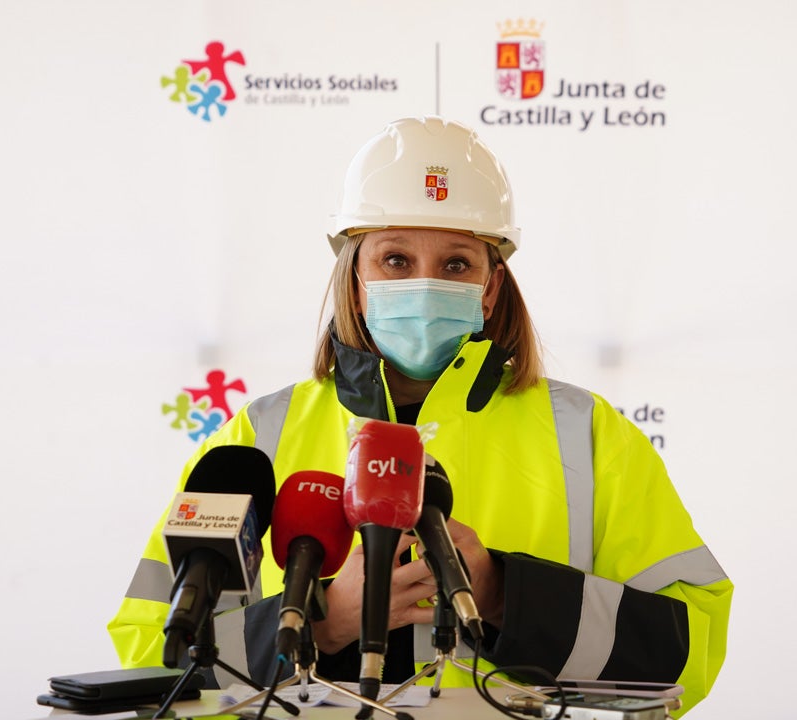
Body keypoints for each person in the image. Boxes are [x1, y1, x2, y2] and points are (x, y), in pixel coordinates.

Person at [108, 116, 732, 714]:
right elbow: (151, 658)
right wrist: (316, 623)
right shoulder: (259, 438)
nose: (425, 284)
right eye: (396, 260)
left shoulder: (589, 434)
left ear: (490, 286)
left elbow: (691, 652)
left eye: (457, 263)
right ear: (355, 276)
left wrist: (503, 594)